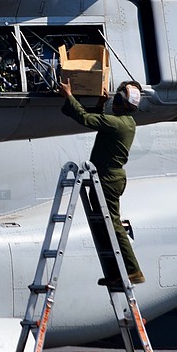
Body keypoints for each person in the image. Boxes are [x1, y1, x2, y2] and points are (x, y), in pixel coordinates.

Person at [59, 78, 146, 285]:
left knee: (113, 224)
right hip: (109, 177)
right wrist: (101, 105)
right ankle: (117, 273)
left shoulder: (116, 123)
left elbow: (86, 119)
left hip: (107, 179)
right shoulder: (126, 123)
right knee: (106, 224)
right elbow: (100, 119)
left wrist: (69, 95)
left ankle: (133, 271)